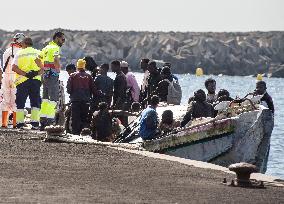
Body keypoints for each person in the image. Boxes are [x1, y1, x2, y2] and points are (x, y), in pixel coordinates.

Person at [11, 37, 43, 129]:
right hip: (35, 81)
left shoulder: (20, 53)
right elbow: (43, 68)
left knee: (20, 102)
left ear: (24, 44)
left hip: (22, 81)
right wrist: (35, 73)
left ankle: (20, 124)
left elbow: (14, 67)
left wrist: (26, 74)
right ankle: (35, 124)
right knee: (35, 102)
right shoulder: (38, 52)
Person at [38, 31, 65, 128]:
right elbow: (56, 60)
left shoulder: (46, 47)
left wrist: (43, 68)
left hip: (45, 75)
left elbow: (37, 59)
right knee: (53, 99)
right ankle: (50, 121)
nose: (63, 42)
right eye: (63, 39)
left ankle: (43, 121)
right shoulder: (55, 47)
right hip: (52, 75)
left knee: (45, 99)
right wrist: (58, 70)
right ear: (57, 38)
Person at [0, 33, 26, 127]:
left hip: (6, 77)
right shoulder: (22, 52)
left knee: (5, 100)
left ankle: (4, 123)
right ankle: (15, 123)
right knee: (16, 100)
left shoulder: (6, 51)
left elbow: (4, 65)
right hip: (16, 77)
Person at [67, 59, 97, 135]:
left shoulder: (73, 76)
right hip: (86, 101)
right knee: (84, 118)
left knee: (75, 119)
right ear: (84, 66)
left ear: (77, 66)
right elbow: (94, 90)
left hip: (75, 101)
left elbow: (69, 90)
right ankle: (83, 134)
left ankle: (75, 134)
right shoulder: (89, 76)